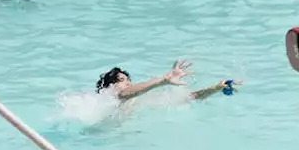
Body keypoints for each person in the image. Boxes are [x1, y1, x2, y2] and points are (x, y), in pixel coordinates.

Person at [94, 60, 240, 102]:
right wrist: (163, 80)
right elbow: (122, 94)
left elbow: (191, 98)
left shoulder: (145, 99)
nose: (128, 83)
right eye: (121, 80)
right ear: (110, 86)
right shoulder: (110, 99)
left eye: (128, 80)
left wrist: (215, 88)